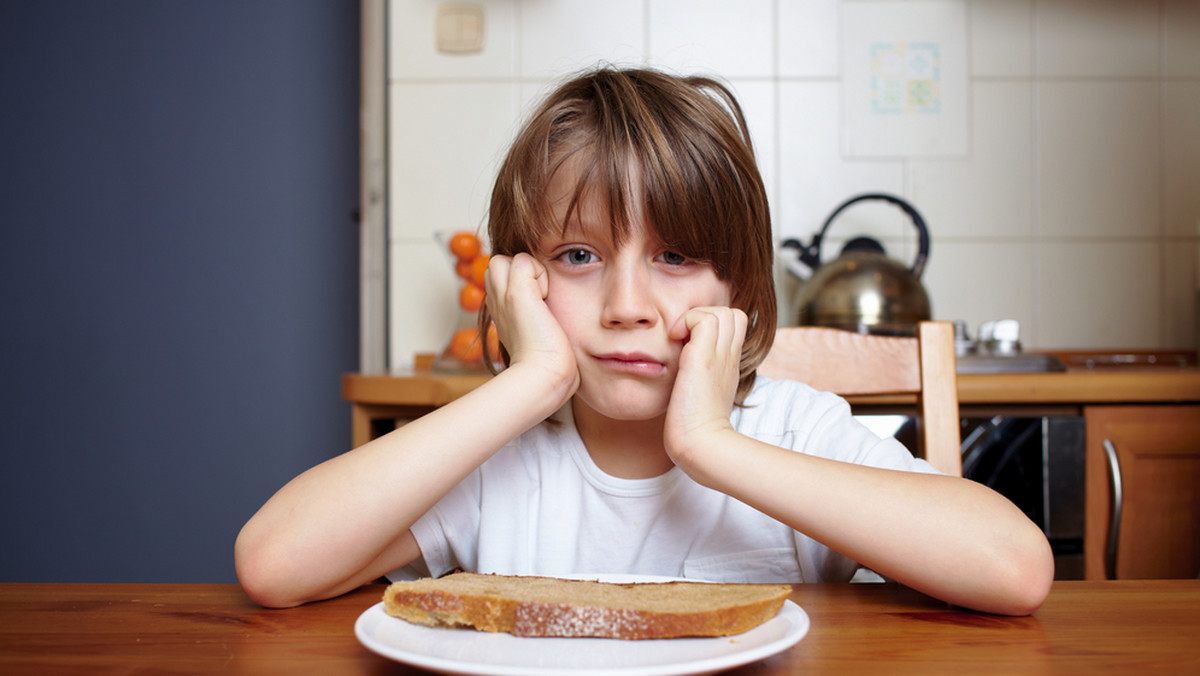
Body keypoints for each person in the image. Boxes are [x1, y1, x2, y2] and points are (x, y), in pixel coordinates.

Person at [235, 67, 1054, 615]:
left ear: (734, 285)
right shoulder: (499, 458)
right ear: (523, 282)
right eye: (579, 256)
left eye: (675, 256)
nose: (627, 305)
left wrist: (708, 444)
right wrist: (528, 382)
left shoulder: (793, 430)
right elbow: (273, 564)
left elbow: (1015, 569)